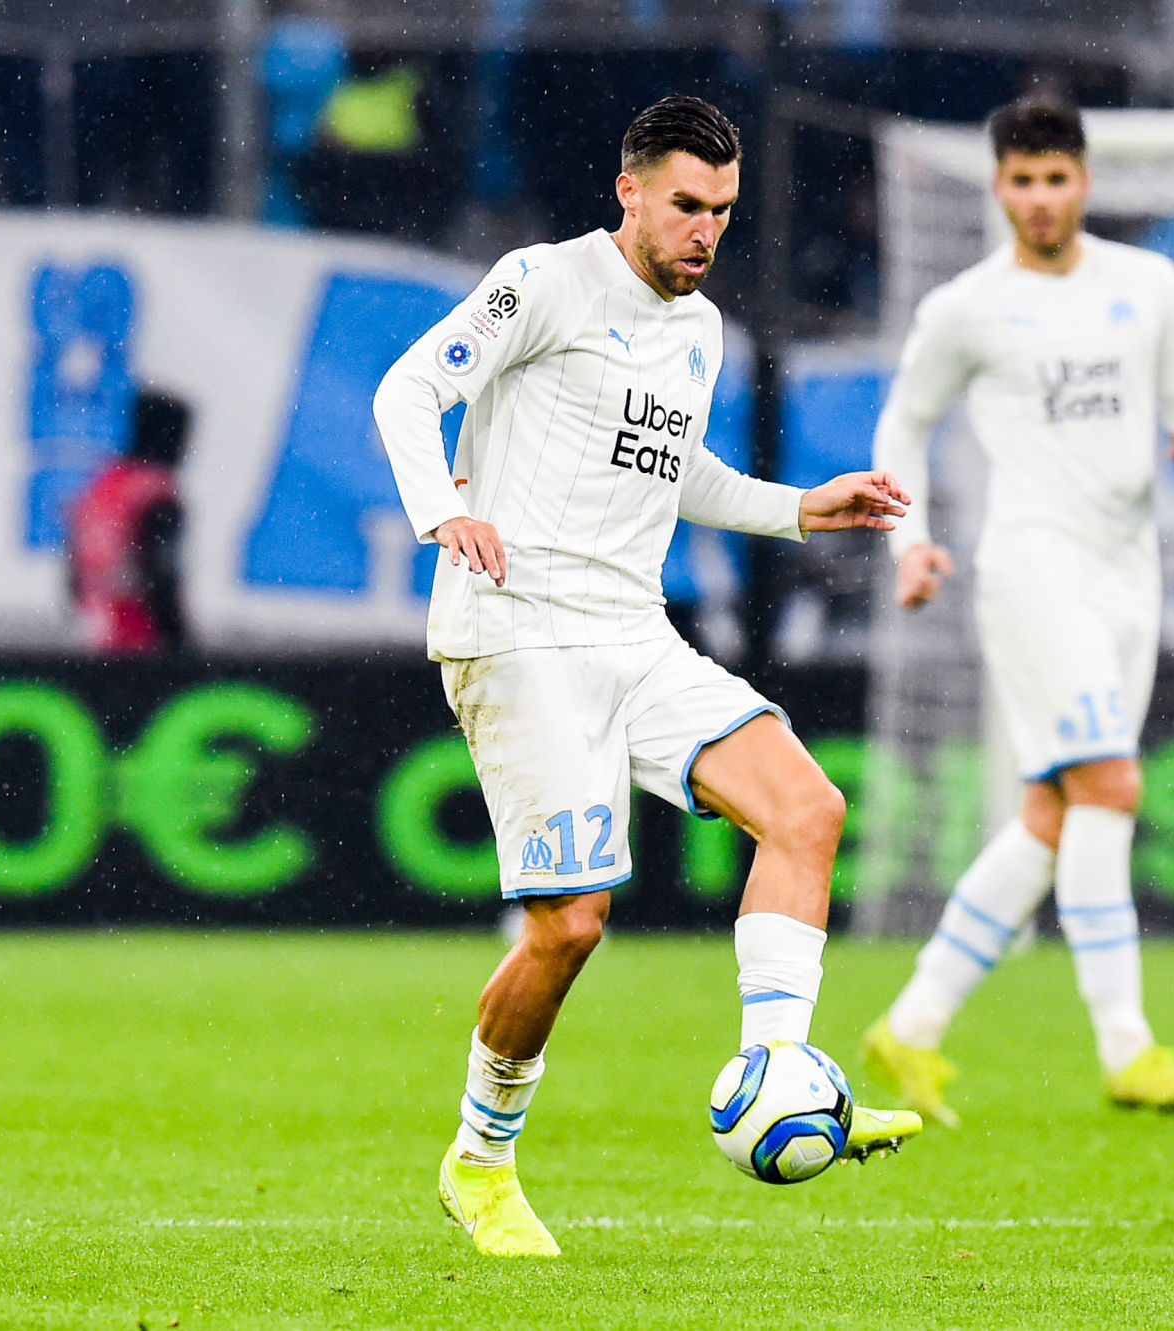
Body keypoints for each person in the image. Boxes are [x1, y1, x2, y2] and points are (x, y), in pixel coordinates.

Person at [371, 95, 921, 1260]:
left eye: (722, 210)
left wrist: (796, 509)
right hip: (517, 631)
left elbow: (672, 471)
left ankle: (781, 1070)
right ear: (627, 191)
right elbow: (406, 390)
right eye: (684, 205)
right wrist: (444, 510)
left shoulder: (699, 329)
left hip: (632, 632)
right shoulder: (546, 281)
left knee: (806, 810)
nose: (703, 231)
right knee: (570, 925)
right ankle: (480, 1161)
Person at [859, 96, 1174, 1128]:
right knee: (1107, 783)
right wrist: (908, 536)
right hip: (1030, 569)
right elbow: (904, 419)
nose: (1036, 198)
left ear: (1082, 181)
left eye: (1052, 178)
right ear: (996, 188)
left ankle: (912, 1024)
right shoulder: (967, 307)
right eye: (1018, 181)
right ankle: (1127, 1044)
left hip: (1127, 574)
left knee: (1052, 813)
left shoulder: (1147, 285)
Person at [69, 390, 190, 654]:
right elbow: (161, 569)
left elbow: (73, 568)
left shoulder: (102, 485)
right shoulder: (155, 490)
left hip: (94, 627)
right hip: (140, 630)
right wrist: (179, 641)